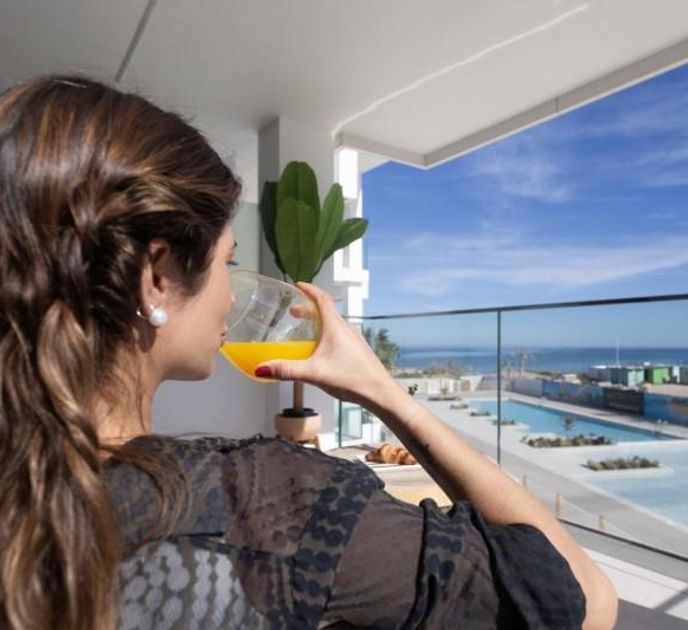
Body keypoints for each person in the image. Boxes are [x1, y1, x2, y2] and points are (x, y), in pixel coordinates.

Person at [0, 75, 617, 630]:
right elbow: (583, 600)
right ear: (157, 277)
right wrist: (384, 392)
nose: (231, 294)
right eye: (228, 263)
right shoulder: (271, 503)